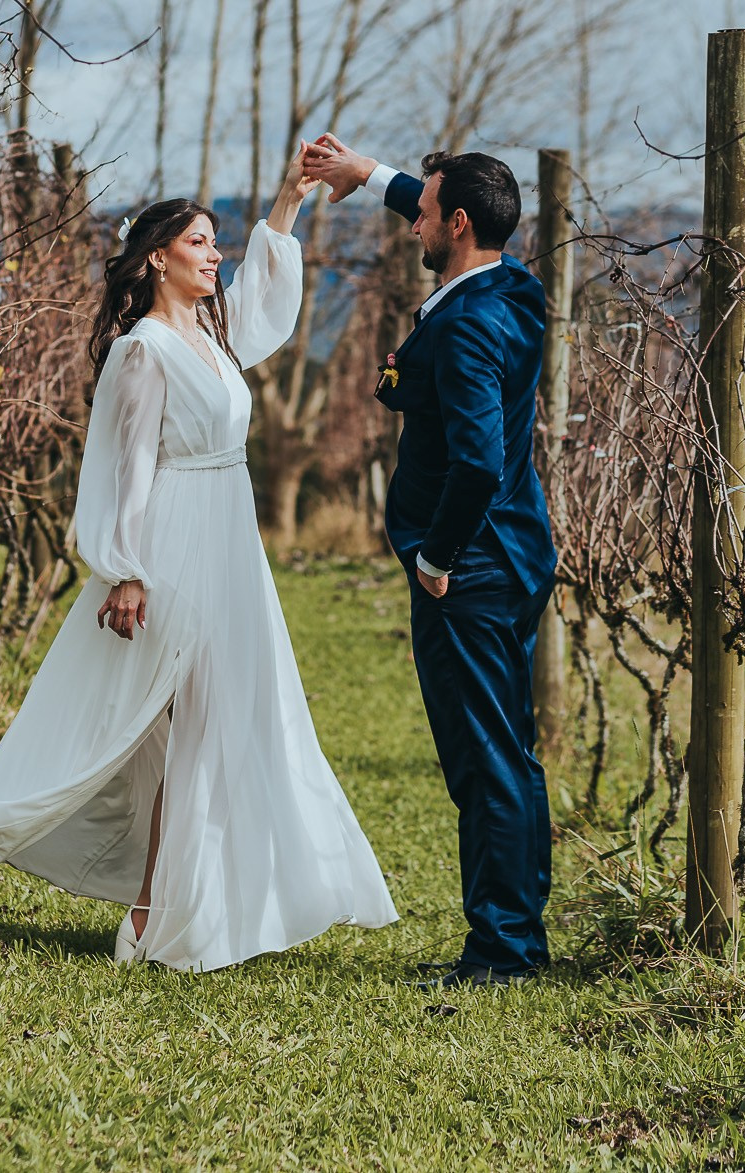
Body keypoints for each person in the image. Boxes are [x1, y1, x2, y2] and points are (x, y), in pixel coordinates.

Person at [0, 145, 397, 971]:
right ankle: (154, 912)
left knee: (238, 716)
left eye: (217, 243)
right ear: (155, 259)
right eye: (202, 243)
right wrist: (126, 567)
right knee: (193, 723)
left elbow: (263, 307)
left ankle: (204, 905)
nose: (216, 255)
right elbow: (122, 463)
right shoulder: (143, 349)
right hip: (175, 543)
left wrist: (287, 199)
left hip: (231, 540)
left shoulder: (212, 336)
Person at [302, 134, 556, 989]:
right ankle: (514, 935)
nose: (412, 223)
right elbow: (440, 200)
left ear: (456, 223)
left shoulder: (472, 324)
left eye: (423, 211)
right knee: (505, 754)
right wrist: (365, 173)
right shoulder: (513, 289)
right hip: (513, 553)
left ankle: (504, 950)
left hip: (472, 570)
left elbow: (479, 461)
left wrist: (438, 557)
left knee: (486, 762)